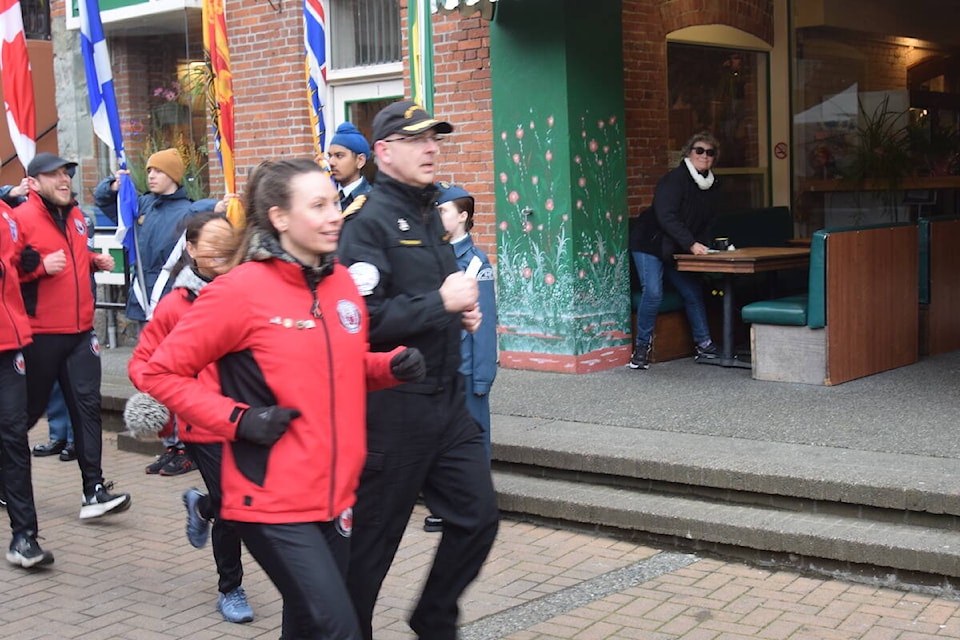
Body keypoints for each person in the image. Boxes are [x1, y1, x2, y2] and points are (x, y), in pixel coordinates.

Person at [139, 158, 426, 639]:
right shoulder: (238, 292)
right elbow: (159, 371)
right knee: (340, 629)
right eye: (318, 205)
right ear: (279, 217)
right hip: (271, 500)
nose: (335, 214)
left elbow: (334, 370)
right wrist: (239, 419)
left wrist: (386, 367)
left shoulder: (339, 285)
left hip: (336, 496)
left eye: (334, 201)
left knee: (307, 627)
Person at [338, 100, 500, 640]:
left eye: (435, 138)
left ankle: (433, 619)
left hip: (446, 403)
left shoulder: (432, 212)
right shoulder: (365, 225)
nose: (432, 148)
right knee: (371, 549)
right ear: (383, 152)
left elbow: (436, 298)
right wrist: (442, 303)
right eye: (417, 140)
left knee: (477, 518)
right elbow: (362, 320)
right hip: (395, 407)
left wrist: (462, 312)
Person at [127, 210, 255, 622]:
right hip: (202, 423)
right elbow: (143, 363)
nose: (220, 252)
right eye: (210, 243)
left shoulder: (250, 292)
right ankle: (230, 588)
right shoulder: (175, 305)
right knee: (233, 507)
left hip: (248, 417)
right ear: (192, 248)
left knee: (244, 498)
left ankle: (201, 507)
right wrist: (174, 394)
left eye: (227, 243)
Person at [15, 152, 132, 519]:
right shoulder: (18, 219)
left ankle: (93, 491)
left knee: (87, 410)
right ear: (33, 184)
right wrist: (37, 269)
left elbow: (73, 251)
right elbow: (9, 268)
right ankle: (7, 480)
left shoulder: (78, 217)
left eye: (66, 173)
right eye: (53, 175)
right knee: (26, 415)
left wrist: (92, 259)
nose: (64, 180)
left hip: (82, 333)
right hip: (40, 335)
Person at [94, 148, 217, 476]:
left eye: (158, 171)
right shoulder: (144, 203)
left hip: (172, 302)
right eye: (148, 170)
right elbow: (109, 206)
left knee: (178, 378)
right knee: (152, 377)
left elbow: (209, 216)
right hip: (144, 300)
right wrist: (112, 187)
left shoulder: (188, 209)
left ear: (174, 175)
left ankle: (186, 445)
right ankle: (169, 443)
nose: (150, 176)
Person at [424, 182, 499, 534]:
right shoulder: (434, 256)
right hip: (441, 367)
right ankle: (447, 505)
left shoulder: (475, 262)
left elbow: (483, 324)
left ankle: (474, 505)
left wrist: (483, 374)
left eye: (443, 210)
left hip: (468, 368)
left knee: (474, 437)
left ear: (463, 216)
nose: (438, 216)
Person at [628, 131, 722, 370]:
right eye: (699, 150)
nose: (704, 156)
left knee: (692, 292)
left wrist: (704, 245)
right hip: (649, 242)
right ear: (689, 153)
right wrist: (690, 244)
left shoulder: (712, 186)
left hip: (674, 247)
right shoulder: (675, 179)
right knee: (654, 292)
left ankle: (705, 344)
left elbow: (707, 222)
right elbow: (666, 216)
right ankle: (641, 349)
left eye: (710, 152)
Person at [0, 200, 54, 568]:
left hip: (9, 343)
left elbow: (17, 261)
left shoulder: (5, 212)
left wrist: (30, 261)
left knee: (14, 435)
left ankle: (24, 536)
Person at [328, 122, 373, 210]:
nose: (331, 162)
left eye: (339, 156)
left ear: (360, 160)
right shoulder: (326, 196)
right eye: (330, 156)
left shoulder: (371, 201)